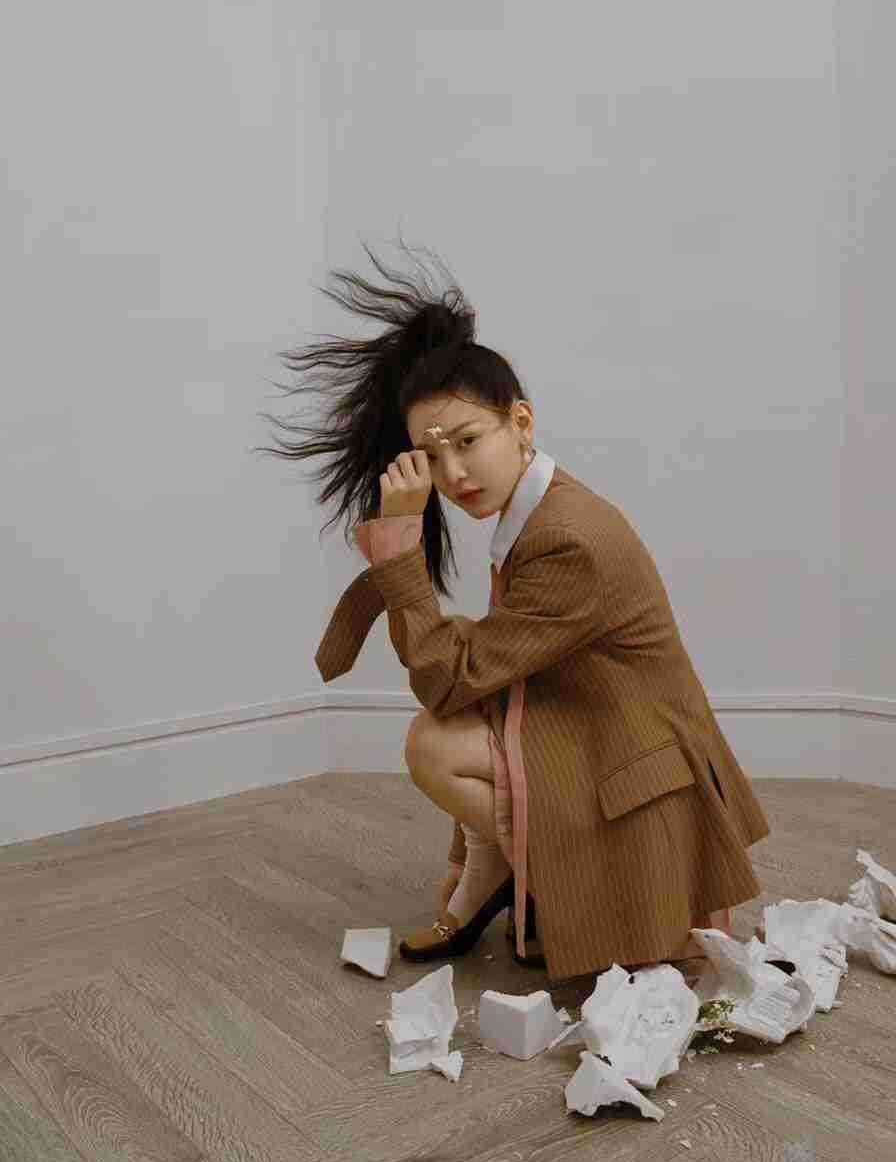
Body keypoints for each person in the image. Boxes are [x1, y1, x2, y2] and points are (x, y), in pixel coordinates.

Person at [254, 239, 770, 984]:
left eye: (469, 442)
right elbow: (482, 665)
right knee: (449, 722)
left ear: (521, 423)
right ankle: (497, 869)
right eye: (433, 458)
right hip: (593, 725)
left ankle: (517, 876)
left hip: (637, 771)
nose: (454, 473)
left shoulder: (568, 539)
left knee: (433, 743)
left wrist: (400, 542)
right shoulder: (538, 512)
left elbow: (446, 679)